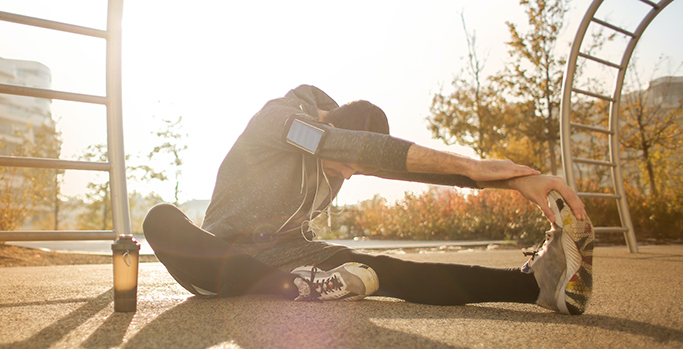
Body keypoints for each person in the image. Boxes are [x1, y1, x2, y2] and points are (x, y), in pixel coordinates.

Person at [143, 85, 595, 315]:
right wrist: (474, 166)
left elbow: (394, 163)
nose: (350, 175)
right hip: (217, 261)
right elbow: (349, 149)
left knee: (388, 268)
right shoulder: (282, 120)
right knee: (160, 219)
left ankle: (535, 286)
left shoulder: (340, 147)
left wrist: (515, 182)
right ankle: (297, 286)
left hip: (293, 256)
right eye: (349, 163)